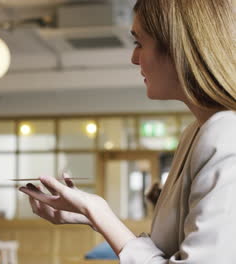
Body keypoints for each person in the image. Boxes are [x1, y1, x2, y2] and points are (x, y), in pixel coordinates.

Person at [19, 0, 236, 262]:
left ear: (178, 48)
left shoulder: (226, 133)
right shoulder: (196, 132)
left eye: (139, 43)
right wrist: (94, 216)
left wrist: (97, 210)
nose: (134, 58)